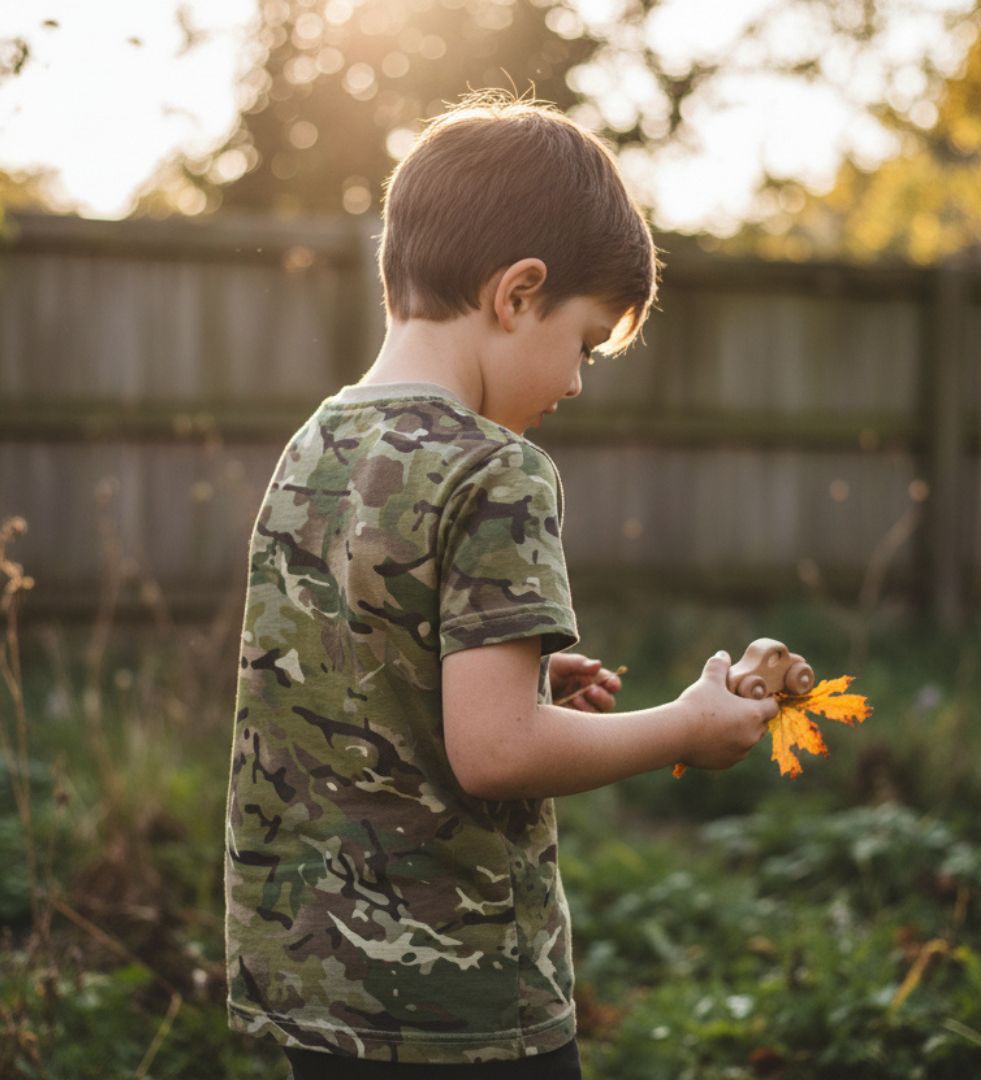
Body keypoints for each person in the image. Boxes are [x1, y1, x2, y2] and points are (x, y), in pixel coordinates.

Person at [223, 89, 779, 1079]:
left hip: (314, 986)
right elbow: (497, 753)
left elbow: (343, 667)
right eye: (585, 343)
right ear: (518, 294)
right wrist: (685, 729)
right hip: (460, 1001)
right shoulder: (498, 469)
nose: (576, 382)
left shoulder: (314, 445)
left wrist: (514, 675)